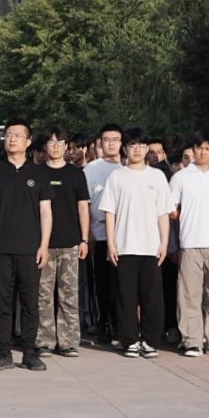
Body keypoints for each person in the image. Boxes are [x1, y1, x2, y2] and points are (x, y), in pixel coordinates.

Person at [0, 118, 52, 372]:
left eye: (18, 135)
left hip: (30, 248)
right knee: (1, 301)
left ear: (28, 142)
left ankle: (30, 352)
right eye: (8, 135)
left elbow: (46, 212)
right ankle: (3, 351)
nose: (12, 139)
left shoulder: (38, 173)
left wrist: (44, 245)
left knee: (30, 302)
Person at [102, 128, 173, 358]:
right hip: (124, 246)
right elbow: (110, 212)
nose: (137, 149)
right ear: (125, 149)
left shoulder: (157, 176)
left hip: (151, 247)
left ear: (147, 149)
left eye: (141, 145)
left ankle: (151, 340)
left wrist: (164, 242)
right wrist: (111, 244)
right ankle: (129, 340)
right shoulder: (117, 176)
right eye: (132, 145)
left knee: (152, 297)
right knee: (126, 297)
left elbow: (163, 213)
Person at [169, 133, 209, 357]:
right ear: (193, 150)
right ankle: (192, 340)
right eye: (199, 148)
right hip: (190, 242)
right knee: (189, 294)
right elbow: (173, 210)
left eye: (208, 148)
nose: (203, 152)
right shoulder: (180, 177)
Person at [37, 128, 90, 357]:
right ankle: (44, 341)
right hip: (43, 244)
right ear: (45, 147)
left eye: (60, 142)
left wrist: (84, 239)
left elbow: (83, 208)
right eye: (51, 142)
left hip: (70, 243)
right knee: (43, 295)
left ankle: (68, 341)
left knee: (69, 294)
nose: (56, 146)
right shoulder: (36, 173)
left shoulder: (76, 174)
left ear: (67, 146)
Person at [84, 124, 124, 342]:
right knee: (102, 284)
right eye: (106, 139)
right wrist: (88, 234)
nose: (111, 143)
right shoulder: (91, 169)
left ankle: (121, 326)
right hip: (99, 235)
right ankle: (104, 325)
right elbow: (85, 204)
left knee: (123, 286)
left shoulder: (128, 167)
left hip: (126, 237)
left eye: (115, 139)